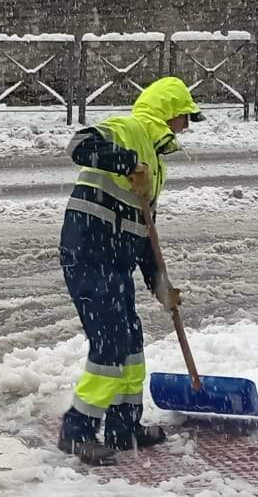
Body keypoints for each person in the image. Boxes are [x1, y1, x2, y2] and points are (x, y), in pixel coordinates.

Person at [57, 75, 202, 465]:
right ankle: (77, 431)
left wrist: (160, 285)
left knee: (131, 344)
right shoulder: (128, 129)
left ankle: (124, 428)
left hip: (117, 263)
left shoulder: (156, 163)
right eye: (184, 117)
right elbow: (79, 145)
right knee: (110, 344)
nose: (186, 127)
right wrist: (127, 162)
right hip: (88, 253)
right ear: (168, 113)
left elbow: (144, 234)